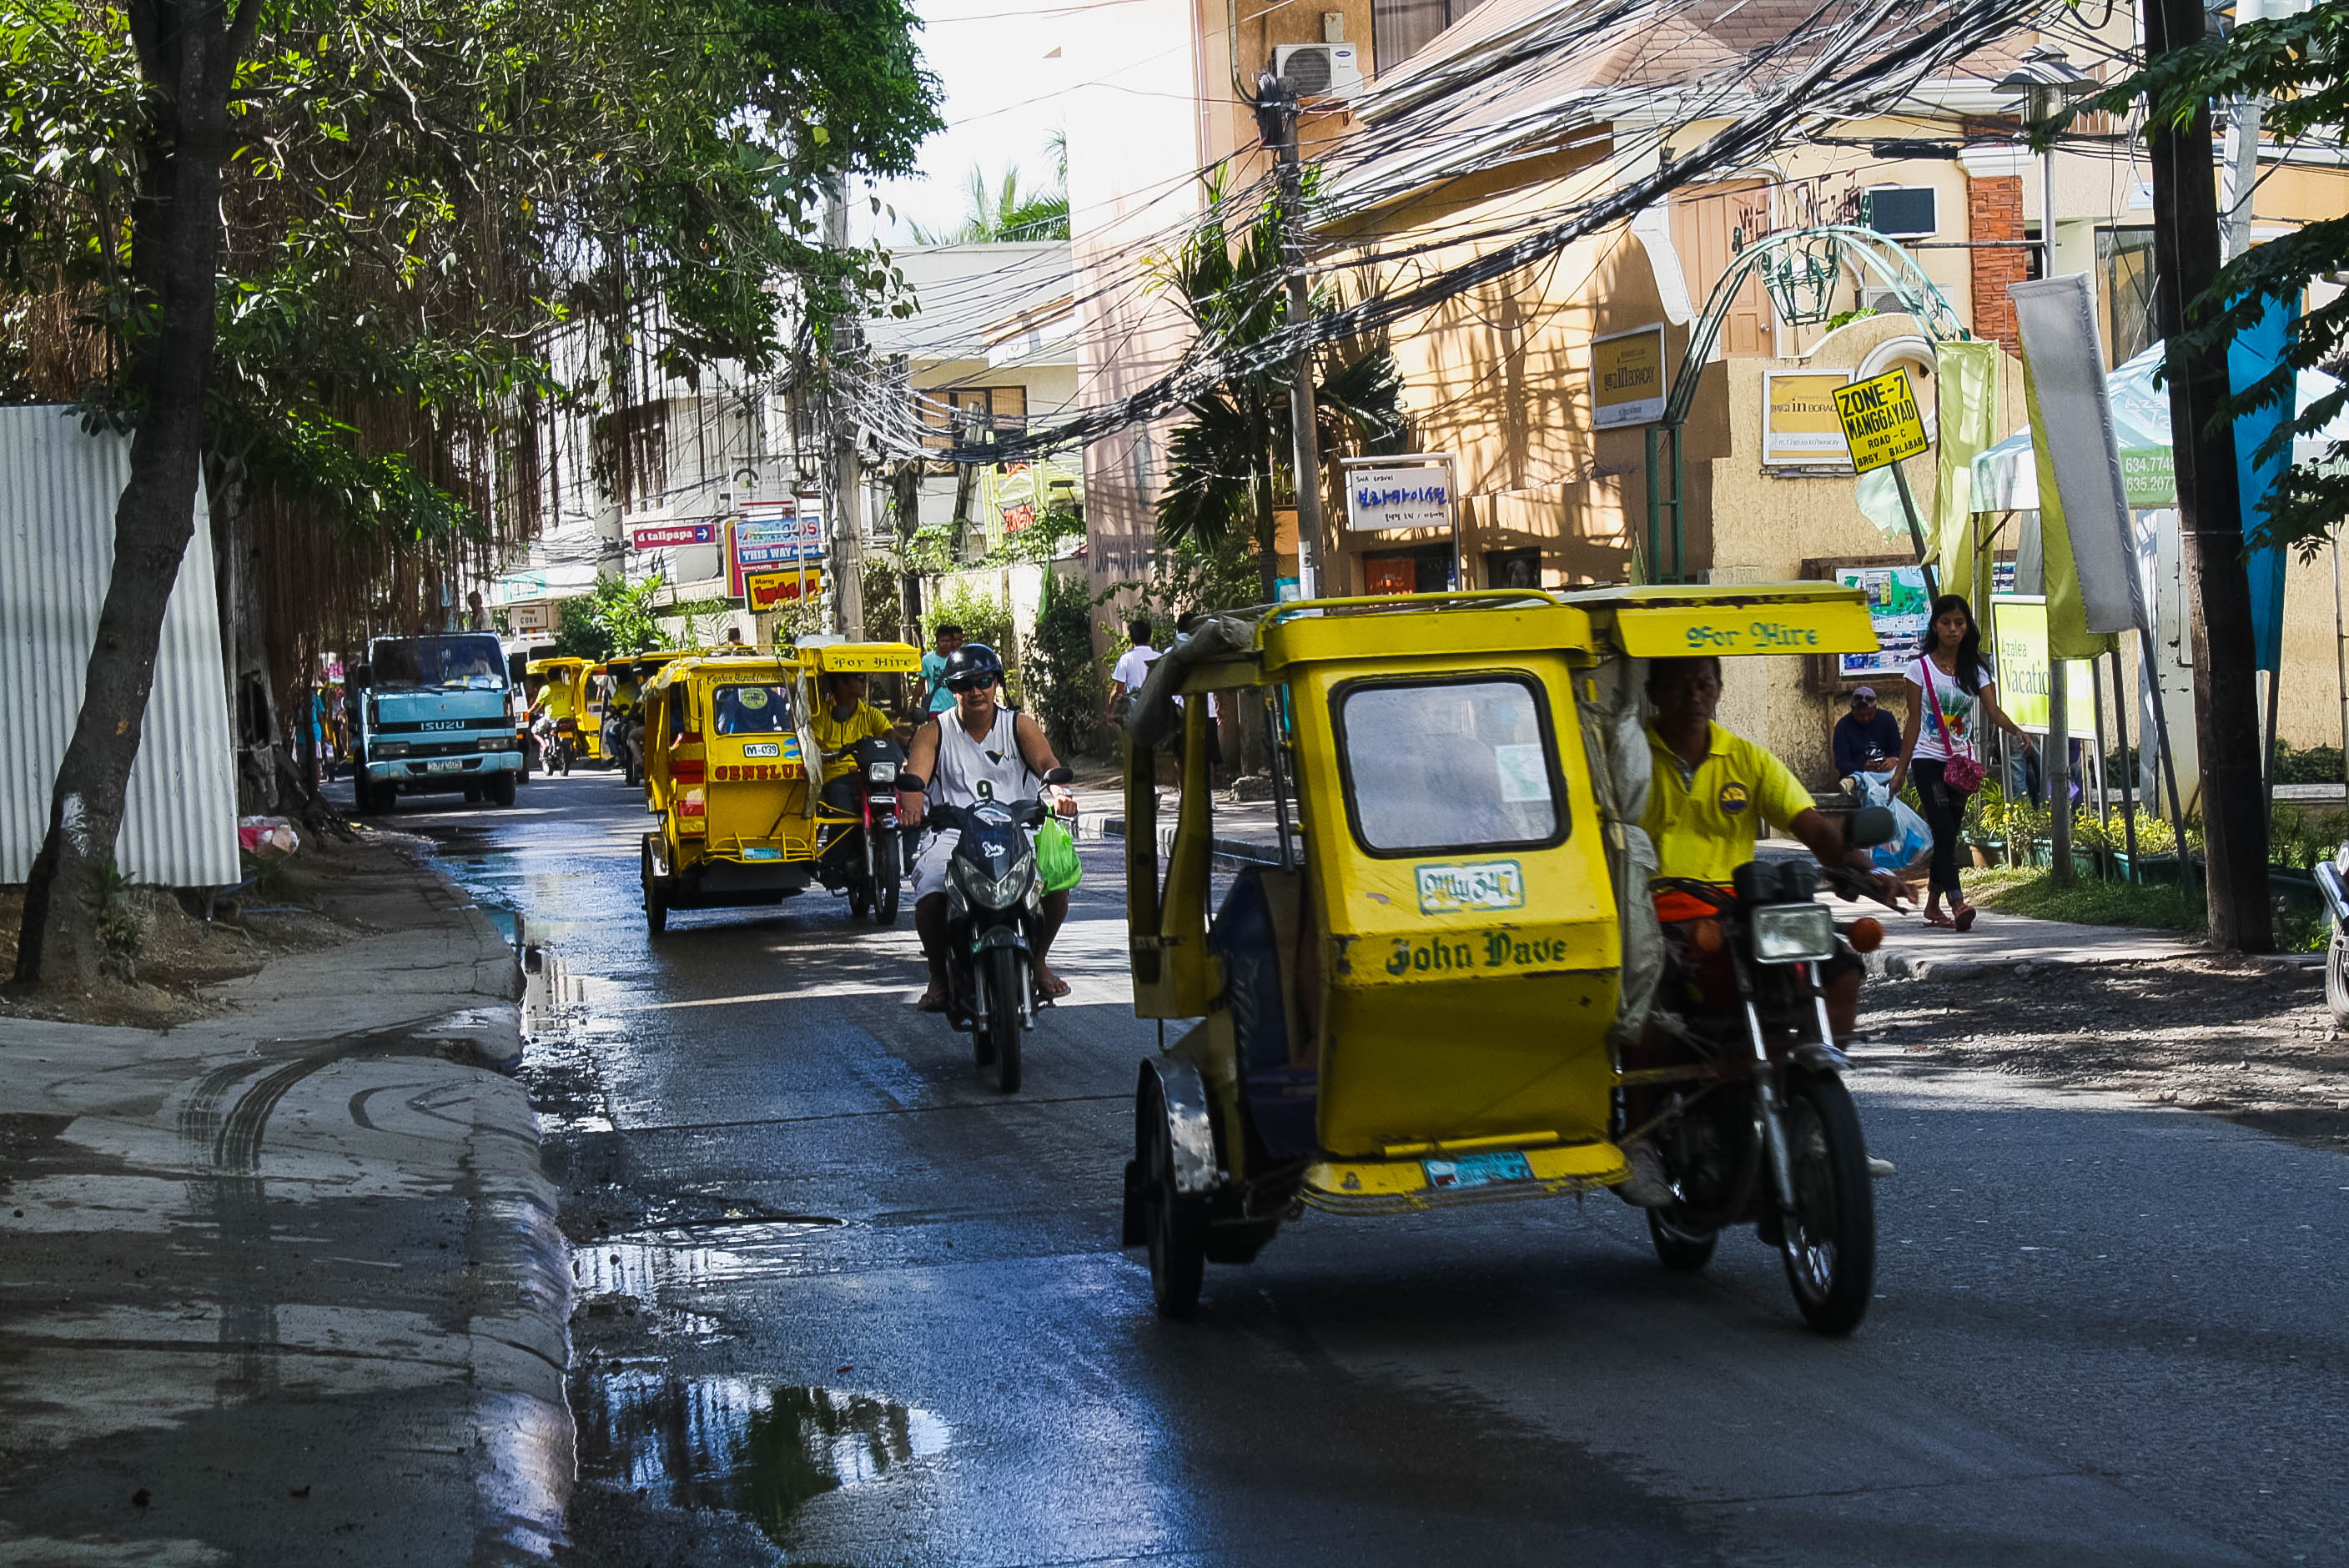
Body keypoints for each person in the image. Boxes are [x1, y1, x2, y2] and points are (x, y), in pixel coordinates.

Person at [1620, 655, 1904, 1204]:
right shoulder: (1629, 759)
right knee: (1648, 996)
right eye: (1680, 685)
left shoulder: (1745, 759)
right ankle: (1642, 1142)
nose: (1694, 695)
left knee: (1839, 966)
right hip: (1653, 914)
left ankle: (1822, 1118)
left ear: (1720, 690)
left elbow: (1812, 827)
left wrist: (1871, 873)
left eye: (1704, 683)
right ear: (1656, 691)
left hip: (1735, 914)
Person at [898, 643, 1076, 1008]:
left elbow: (1046, 763)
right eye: (965, 684)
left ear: (996, 683)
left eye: (984, 681)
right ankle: (939, 977)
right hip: (953, 833)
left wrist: (1058, 791)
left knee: (1056, 885)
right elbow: (916, 774)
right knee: (931, 895)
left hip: (1016, 830)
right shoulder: (934, 732)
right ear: (953, 689)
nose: (975, 692)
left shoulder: (1019, 725)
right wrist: (912, 800)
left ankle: (1039, 960)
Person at [1889, 594, 2035, 932]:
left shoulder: (1977, 671)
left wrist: (2017, 732)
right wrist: (1901, 771)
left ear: (1967, 627)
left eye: (1959, 622)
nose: (1953, 629)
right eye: (1946, 622)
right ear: (1935, 626)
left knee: (1948, 835)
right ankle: (1957, 902)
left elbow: (1993, 711)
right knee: (1942, 828)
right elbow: (1912, 723)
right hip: (1928, 759)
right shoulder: (1918, 669)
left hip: (1961, 766)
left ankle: (1931, 905)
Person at [812, 671, 895, 857]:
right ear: (842, 683)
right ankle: (834, 858)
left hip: (868, 773)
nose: (864, 683)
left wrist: (897, 742)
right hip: (837, 776)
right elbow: (814, 743)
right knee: (845, 815)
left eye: (865, 678)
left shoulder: (871, 713)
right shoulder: (823, 714)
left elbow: (888, 734)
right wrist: (826, 754)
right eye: (859, 679)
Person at [1832, 686, 1903, 784]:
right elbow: (1841, 763)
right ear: (1852, 709)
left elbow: (1897, 749)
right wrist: (1863, 767)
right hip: (1860, 775)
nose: (1865, 719)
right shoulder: (1842, 726)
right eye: (1860, 715)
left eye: (1869, 714)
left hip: (1886, 773)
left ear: (1875, 708)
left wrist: (1893, 760)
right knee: (1858, 780)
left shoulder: (1887, 719)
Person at [1106, 618, 1160, 725]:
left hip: (1135, 713)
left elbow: (1118, 690)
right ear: (1150, 638)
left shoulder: (1126, 659)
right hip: (1157, 710)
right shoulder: (1160, 658)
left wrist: (1110, 712)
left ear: (1131, 639)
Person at [919, 624, 964, 715]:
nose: (944, 644)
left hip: (955, 709)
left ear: (951, 642)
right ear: (937, 641)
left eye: (947, 641)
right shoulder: (927, 660)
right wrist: (912, 707)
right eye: (942, 641)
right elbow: (920, 684)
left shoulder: (958, 660)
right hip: (935, 709)